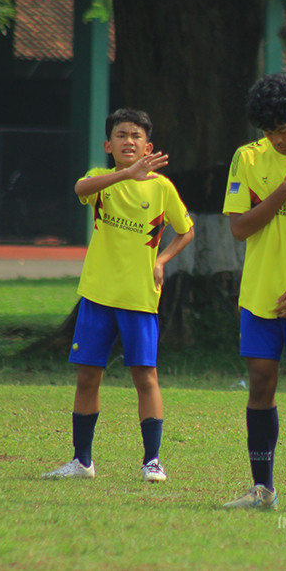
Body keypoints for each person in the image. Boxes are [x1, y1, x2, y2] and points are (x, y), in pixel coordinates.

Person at [42, 108, 195, 482]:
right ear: (108, 145)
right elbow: (80, 189)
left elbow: (186, 231)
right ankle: (81, 461)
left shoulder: (161, 188)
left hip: (139, 297)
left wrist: (163, 259)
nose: (129, 141)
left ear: (149, 145)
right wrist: (126, 174)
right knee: (87, 377)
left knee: (146, 376)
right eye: (122, 135)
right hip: (97, 296)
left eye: (136, 136)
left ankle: (152, 461)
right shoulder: (100, 179)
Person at [221, 73, 286, 511]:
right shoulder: (247, 159)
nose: (276, 140)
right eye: (268, 132)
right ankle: (262, 489)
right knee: (261, 382)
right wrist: (283, 190)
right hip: (260, 293)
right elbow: (240, 227)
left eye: (283, 130)